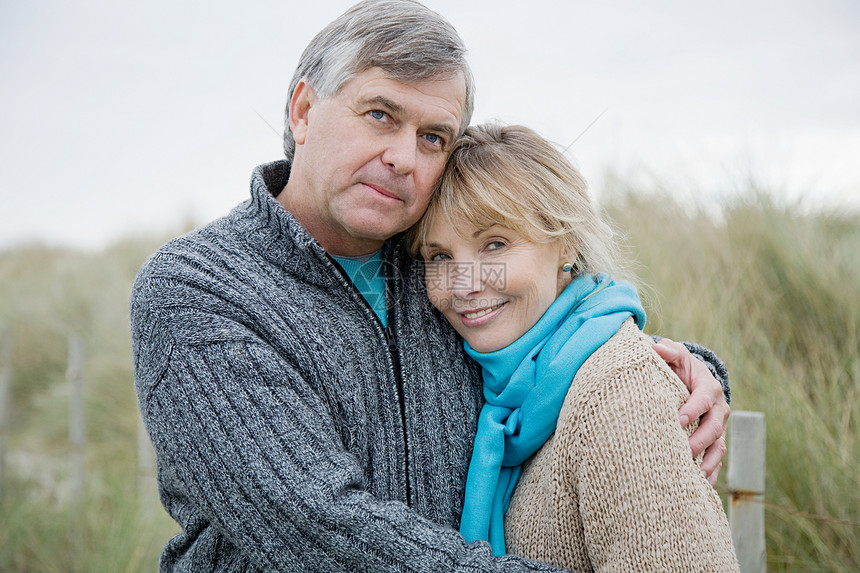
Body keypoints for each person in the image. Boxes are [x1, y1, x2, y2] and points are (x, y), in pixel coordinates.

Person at [130, 1, 731, 571]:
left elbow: (554, 335)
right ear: (304, 112)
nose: (402, 157)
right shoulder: (198, 290)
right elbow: (316, 525)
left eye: (433, 137)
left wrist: (679, 373)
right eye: (380, 115)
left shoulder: (436, 267)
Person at [408, 122, 739, 571]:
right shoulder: (505, 382)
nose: (463, 284)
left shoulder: (622, 393)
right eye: (440, 257)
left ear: (565, 243)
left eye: (495, 244)